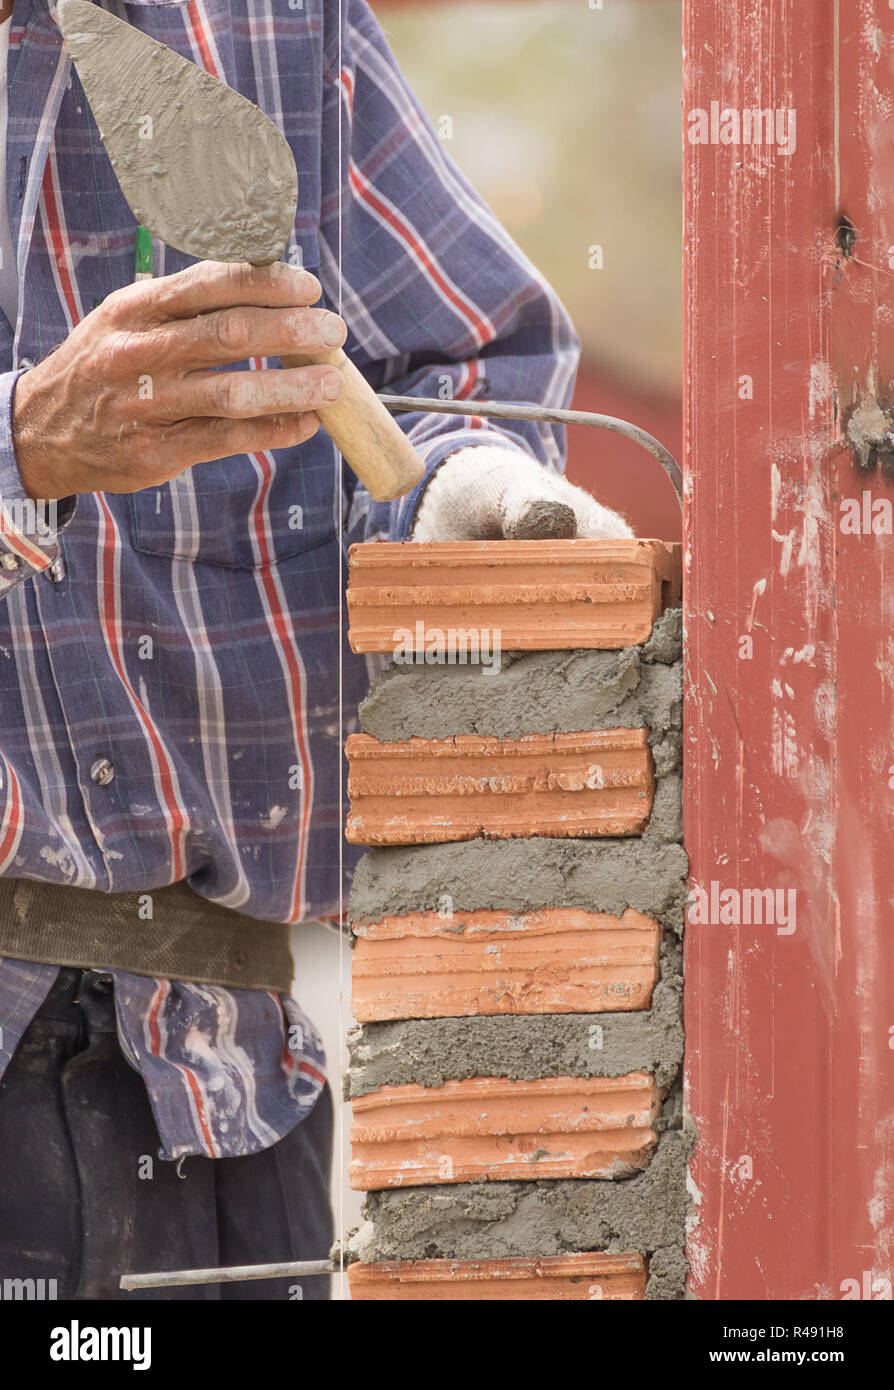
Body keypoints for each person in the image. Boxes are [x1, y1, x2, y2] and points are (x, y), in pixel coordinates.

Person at [0, 0, 631, 1300]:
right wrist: (21, 441)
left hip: (233, 1062)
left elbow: (446, 366)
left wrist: (457, 485)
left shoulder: (275, 23)